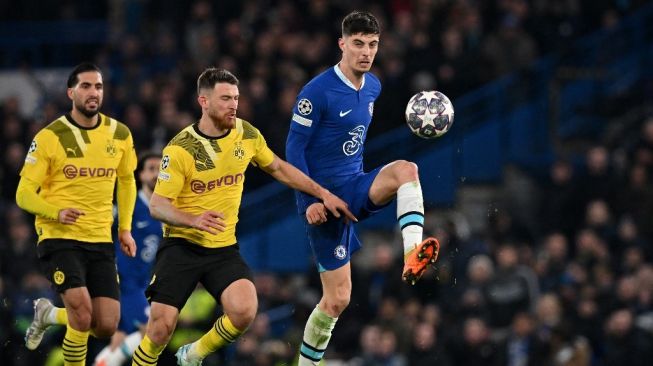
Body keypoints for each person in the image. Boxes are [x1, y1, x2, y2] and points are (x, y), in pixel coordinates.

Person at [130, 67, 356, 366]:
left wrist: (322, 193)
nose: (233, 104)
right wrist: (193, 219)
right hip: (181, 247)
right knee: (160, 329)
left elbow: (277, 168)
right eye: (225, 98)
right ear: (204, 102)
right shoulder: (180, 148)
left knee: (244, 310)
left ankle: (193, 354)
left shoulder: (245, 134)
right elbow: (157, 205)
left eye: (236, 98)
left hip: (222, 248)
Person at [285, 11, 440, 365]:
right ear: (342, 44)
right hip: (323, 201)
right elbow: (294, 150)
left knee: (406, 170)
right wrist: (309, 200)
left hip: (355, 185)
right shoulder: (316, 92)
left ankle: (413, 252)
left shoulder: (374, 86)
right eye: (357, 44)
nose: (366, 52)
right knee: (337, 300)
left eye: (372, 44)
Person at [16, 62, 138, 366]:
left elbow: (126, 181)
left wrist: (125, 228)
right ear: (71, 92)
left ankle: (48, 314)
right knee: (82, 315)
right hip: (58, 237)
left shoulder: (119, 134)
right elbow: (23, 193)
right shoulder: (49, 136)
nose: (93, 92)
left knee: (106, 324)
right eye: (85, 86)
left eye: (98, 86)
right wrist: (55, 212)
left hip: (99, 238)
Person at [94, 152, 163, 366]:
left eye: (161, 169)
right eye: (151, 169)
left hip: (143, 281)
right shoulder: (130, 205)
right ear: (140, 175)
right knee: (154, 331)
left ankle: (102, 363)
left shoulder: (166, 208)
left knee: (121, 337)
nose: (157, 174)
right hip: (125, 281)